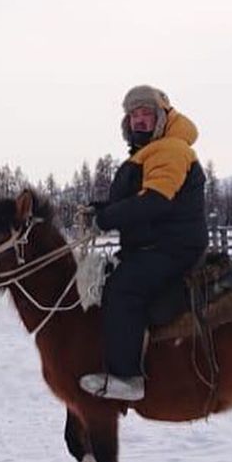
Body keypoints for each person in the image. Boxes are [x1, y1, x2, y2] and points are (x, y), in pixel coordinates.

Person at [79, 85, 209, 401]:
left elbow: (155, 201)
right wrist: (102, 211)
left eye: (146, 114)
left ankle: (128, 377)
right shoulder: (150, 151)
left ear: (162, 117)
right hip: (151, 245)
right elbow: (137, 198)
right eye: (133, 115)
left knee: (123, 289)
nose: (139, 120)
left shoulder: (171, 149)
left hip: (171, 247)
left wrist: (106, 219)